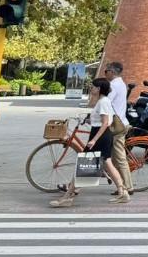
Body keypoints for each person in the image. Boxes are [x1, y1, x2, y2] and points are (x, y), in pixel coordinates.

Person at [52, 77, 129, 207]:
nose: (91, 88)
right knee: (107, 165)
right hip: (102, 135)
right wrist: (89, 121)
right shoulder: (102, 101)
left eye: (93, 87)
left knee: (83, 166)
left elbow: (105, 123)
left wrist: (93, 140)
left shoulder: (103, 101)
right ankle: (123, 193)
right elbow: (101, 120)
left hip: (100, 136)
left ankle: (68, 196)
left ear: (98, 89)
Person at [103, 62, 134, 196]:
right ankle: (120, 183)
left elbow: (105, 103)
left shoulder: (113, 85)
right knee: (113, 157)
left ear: (112, 72)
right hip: (119, 122)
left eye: (106, 71)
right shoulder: (120, 83)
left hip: (117, 125)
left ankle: (128, 186)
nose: (105, 73)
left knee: (119, 157)